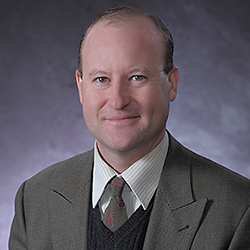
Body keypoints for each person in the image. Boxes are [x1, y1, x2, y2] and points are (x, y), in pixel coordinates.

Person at [9, 6, 250, 250]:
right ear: (81, 88)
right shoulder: (35, 199)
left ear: (172, 84)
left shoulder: (238, 208)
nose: (117, 100)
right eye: (101, 79)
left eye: (137, 77)